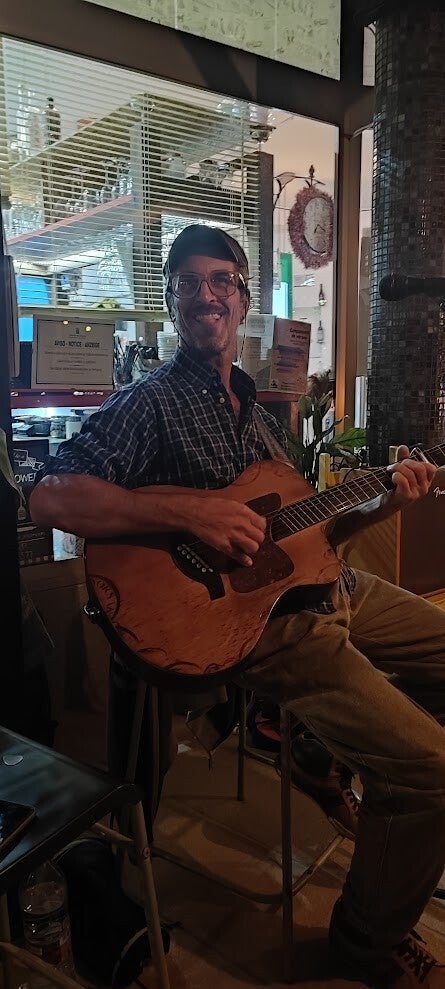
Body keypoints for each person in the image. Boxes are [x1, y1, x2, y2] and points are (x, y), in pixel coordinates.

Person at [29, 224, 445, 988]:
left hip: (328, 587)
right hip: (264, 625)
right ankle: (364, 943)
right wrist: (190, 512)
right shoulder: (151, 402)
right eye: (188, 282)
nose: (205, 294)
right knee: (431, 769)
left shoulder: (255, 412)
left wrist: (387, 501)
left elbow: (313, 535)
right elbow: (52, 494)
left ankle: (345, 774)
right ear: (170, 300)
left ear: (243, 297)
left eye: (220, 279)